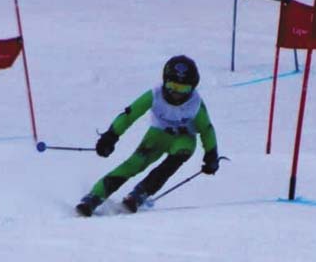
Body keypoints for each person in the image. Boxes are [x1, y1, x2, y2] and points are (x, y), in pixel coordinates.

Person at [76, 55, 220, 216]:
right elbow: (129, 115)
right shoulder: (155, 95)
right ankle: (95, 196)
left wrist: (211, 155)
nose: (176, 93)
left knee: (174, 161)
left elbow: (207, 130)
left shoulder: (195, 104)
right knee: (133, 164)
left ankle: (140, 193)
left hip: (183, 139)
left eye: (183, 89)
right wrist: (111, 136)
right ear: (164, 81)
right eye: (172, 86)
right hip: (157, 136)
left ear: (192, 88)